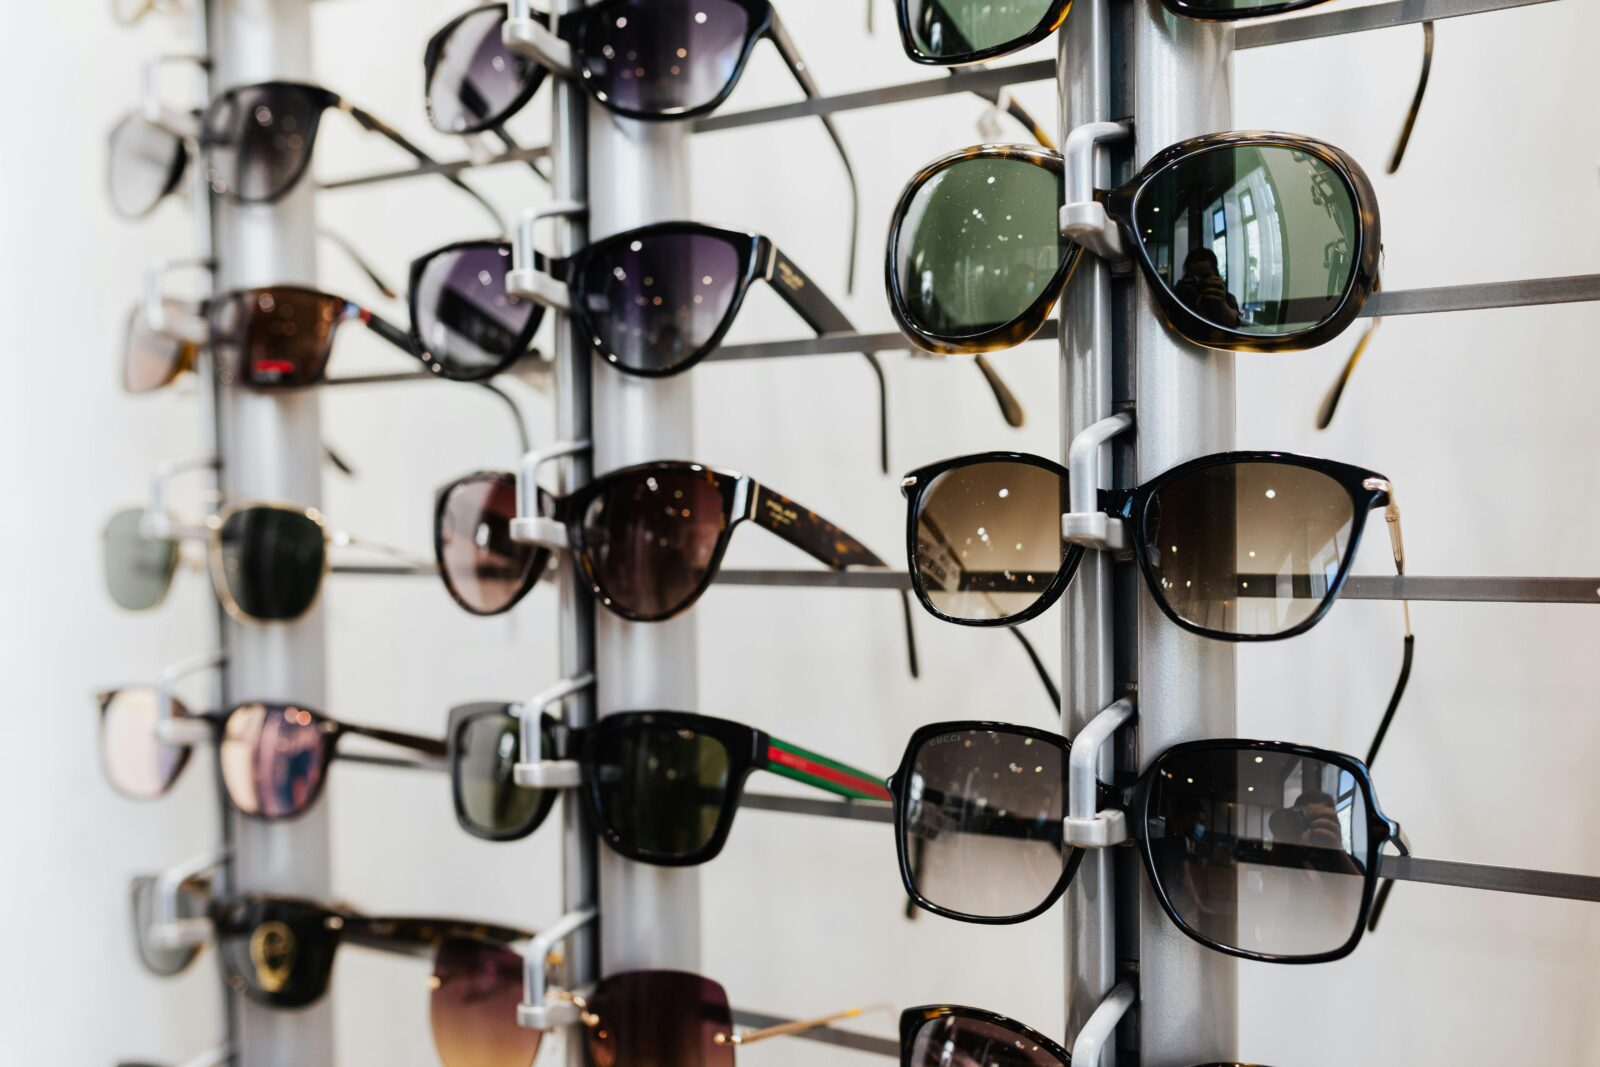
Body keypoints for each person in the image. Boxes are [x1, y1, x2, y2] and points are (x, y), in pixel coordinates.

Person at [1173, 246, 1242, 327]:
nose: (1199, 283)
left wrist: (1221, 304)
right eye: (1193, 278)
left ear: (1216, 275)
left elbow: (1233, 323)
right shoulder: (1180, 295)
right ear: (1185, 278)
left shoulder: (1226, 297)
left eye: (1205, 277)